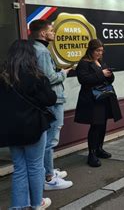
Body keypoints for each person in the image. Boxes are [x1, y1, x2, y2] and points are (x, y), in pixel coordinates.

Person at [1, 40, 57, 209]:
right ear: (30, 56)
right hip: (34, 127)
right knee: (34, 166)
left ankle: (18, 207)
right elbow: (50, 99)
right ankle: (36, 204)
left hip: (10, 129)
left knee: (19, 168)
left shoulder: (3, 76)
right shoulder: (35, 75)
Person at [29, 19, 73, 190]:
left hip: (43, 100)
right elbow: (49, 78)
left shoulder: (32, 49)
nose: (54, 33)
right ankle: (48, 177)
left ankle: (49, 170)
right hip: (53, 99)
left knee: (47, 138)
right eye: (51, 30)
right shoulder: (43, 52)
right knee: (51, 138)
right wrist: (63, 73)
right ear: (42, 33)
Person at [75, 39, 122, 167]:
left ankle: (100, 148)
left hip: (104, 97)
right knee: (95, 126)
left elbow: (109, 78)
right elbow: (84, 80)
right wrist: (101, 74)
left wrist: (110, 74)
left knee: (103, 124)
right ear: (91, 50)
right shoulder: (84, 63)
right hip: (92, 99)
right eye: (97, 51)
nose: (100, 53)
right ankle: (92, 154)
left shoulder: (100, 61)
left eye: (101, 51)